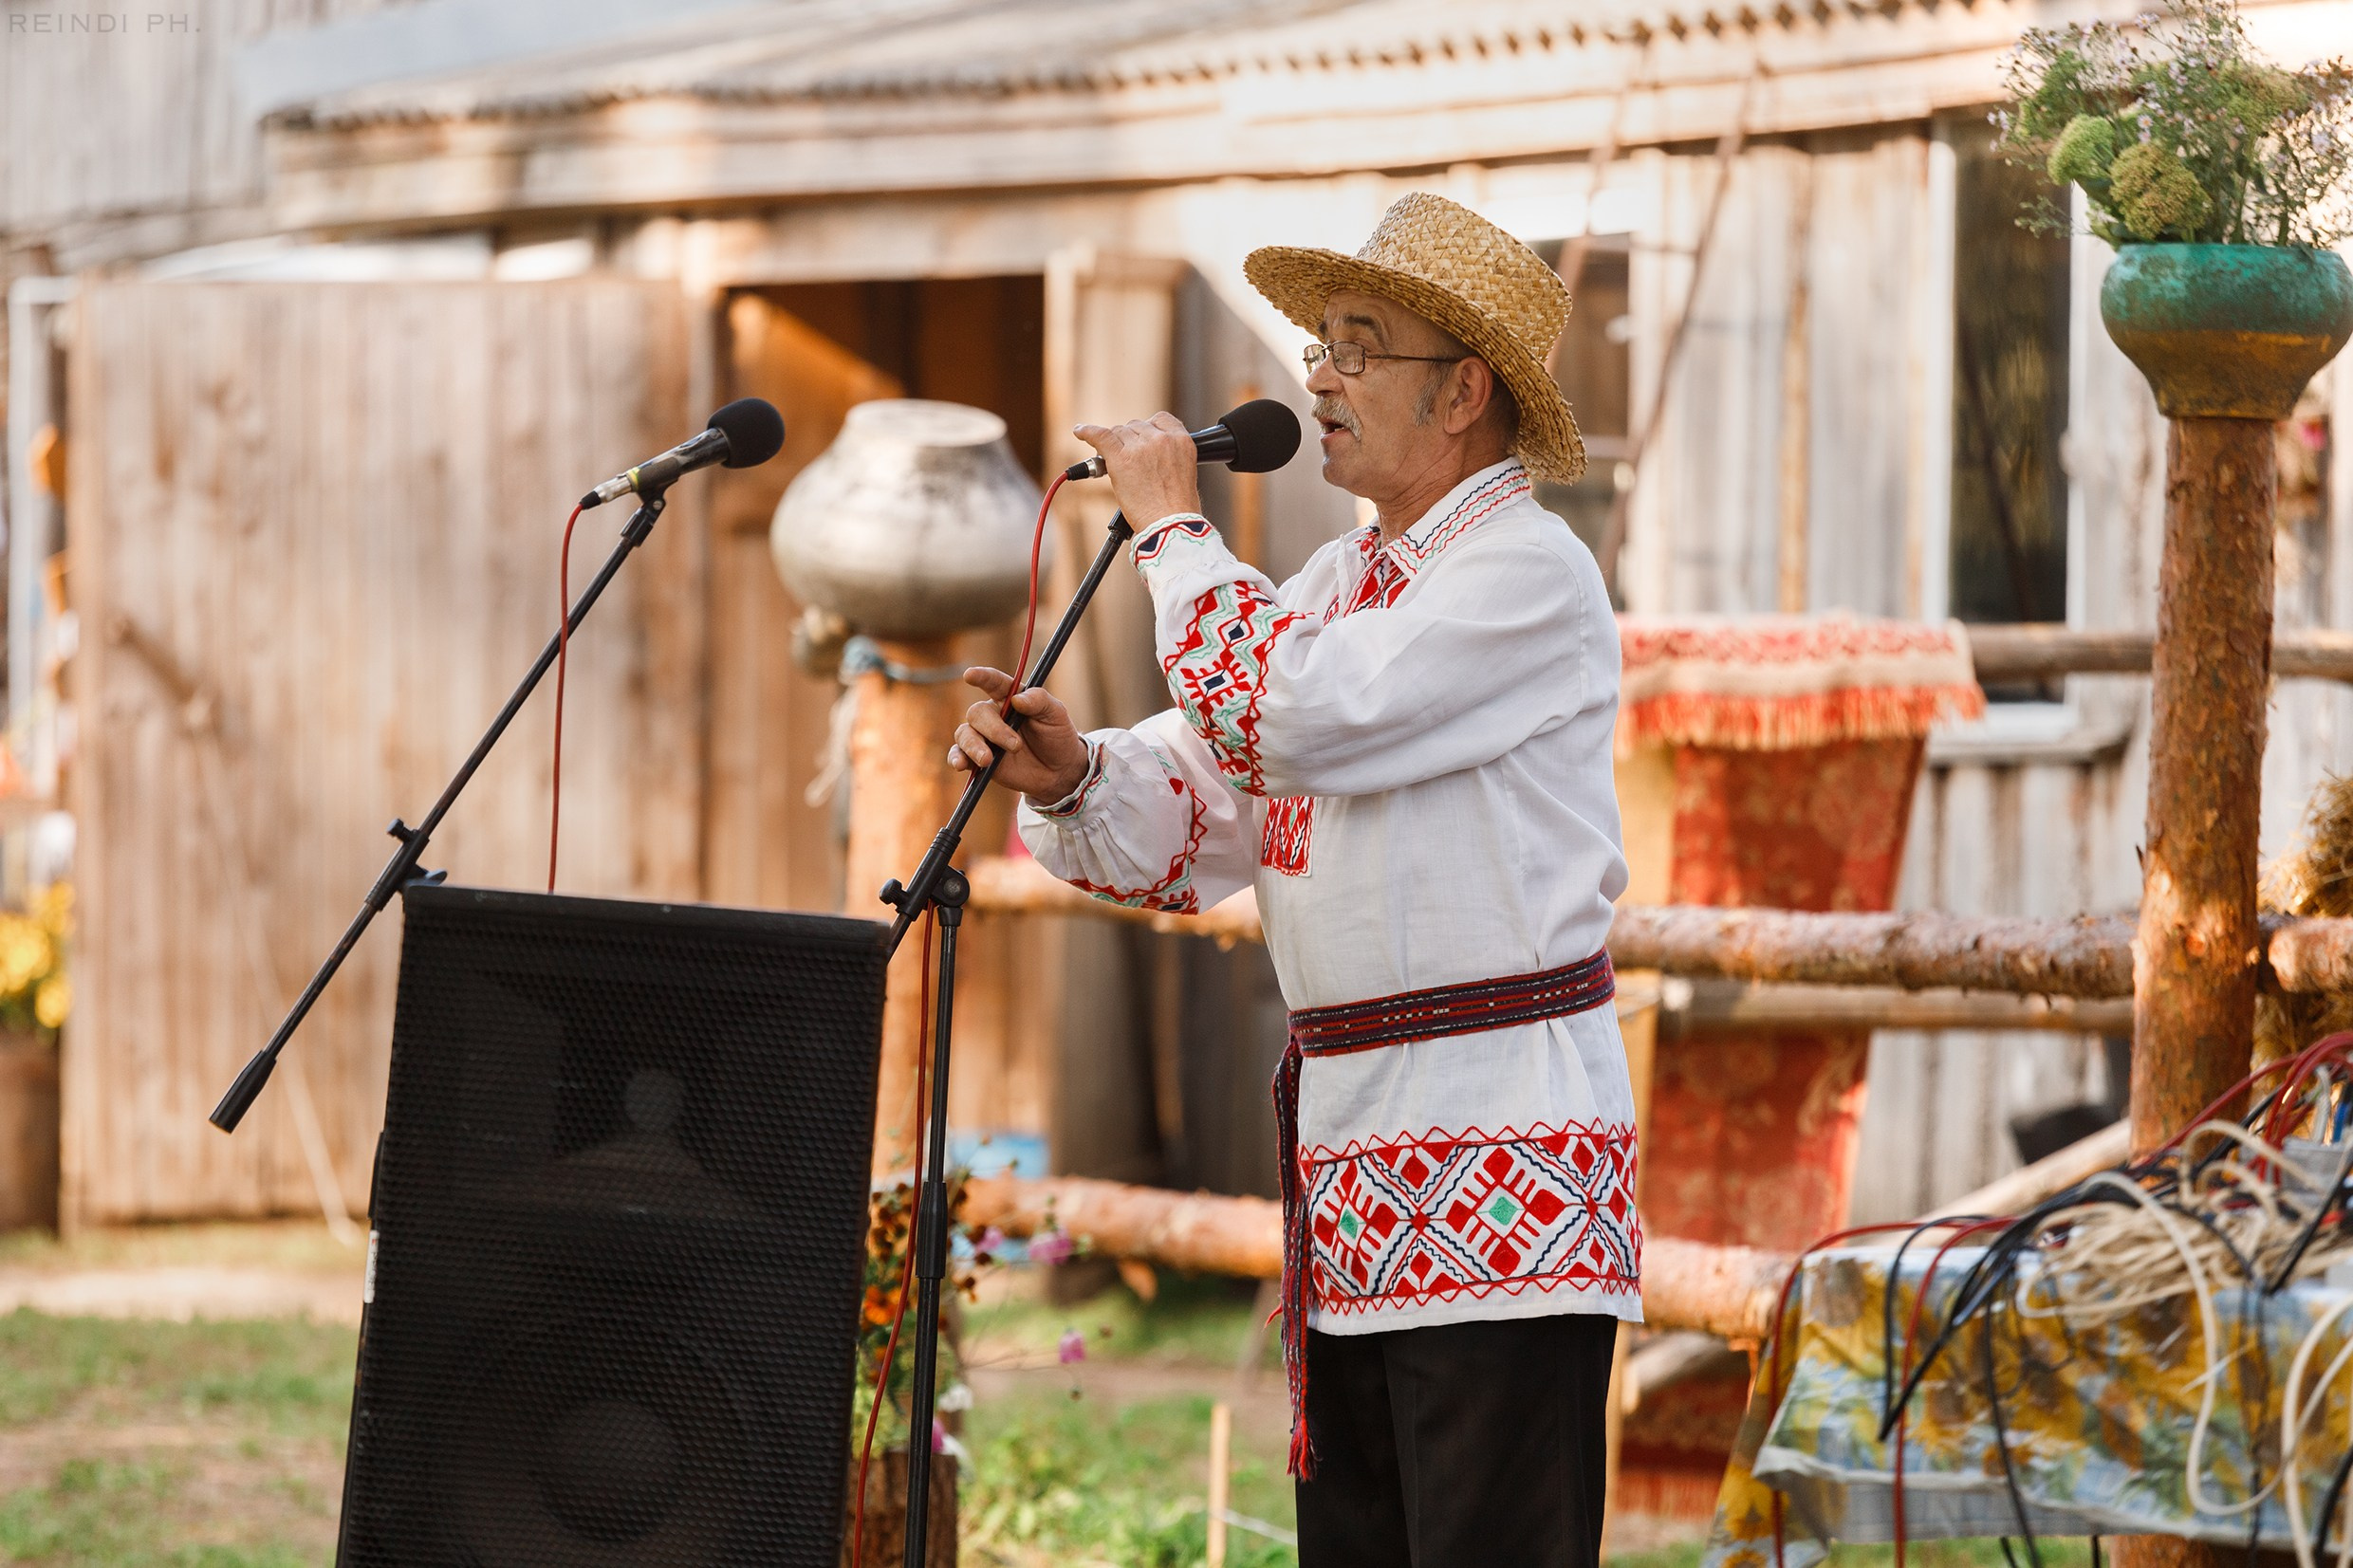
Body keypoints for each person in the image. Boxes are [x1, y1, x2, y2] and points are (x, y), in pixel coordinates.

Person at [950, 191, 1637, 1568]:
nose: (1318, 377)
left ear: (1464, 393)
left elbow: (1277, 714)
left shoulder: (1525, 571)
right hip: (1359, 1169)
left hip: (1499, 1154)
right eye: (1324, 343)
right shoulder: (1334, 584)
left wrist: (1170, 526)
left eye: (1358, 347)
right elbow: (1209, 796)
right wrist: (1073, 774)